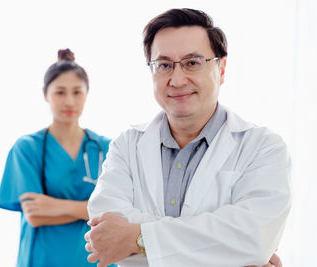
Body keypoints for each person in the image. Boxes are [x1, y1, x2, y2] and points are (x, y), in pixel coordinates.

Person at [84, 8, 290, 267]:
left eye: (192, 63)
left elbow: (253, 239)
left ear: (222, 68)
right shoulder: (126, 146)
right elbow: (107, 235)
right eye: (164, 65)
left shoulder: (263, 148)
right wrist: (224, 248)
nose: (177, 79)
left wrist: (136, 238)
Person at [0, 49, 115, 267]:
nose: (69, 101)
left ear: (87, 94)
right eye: (60, 92)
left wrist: (54, 206)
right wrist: (91, 208)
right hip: (43, 260)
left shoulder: (108, 148)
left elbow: (118, 213)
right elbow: (35, 215)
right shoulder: (27, 148)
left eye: (77, 92)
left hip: (95, 260)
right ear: (45, 94)